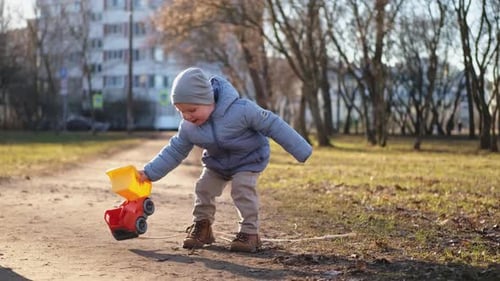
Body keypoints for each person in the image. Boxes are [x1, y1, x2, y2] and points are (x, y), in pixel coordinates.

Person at [138, 67, 312, 252]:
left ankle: (249, 233)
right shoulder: (189, 127)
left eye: (192, 109)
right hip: (217, 163)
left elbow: (272, 124)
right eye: (181, 112)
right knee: (203, 188)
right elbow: (174, 151)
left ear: (208, 100)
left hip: (248, 159)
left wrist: (301, 149)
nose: (187, 116)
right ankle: (202, 227)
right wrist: (149, 172)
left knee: (242, 189)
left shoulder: (242, 110)